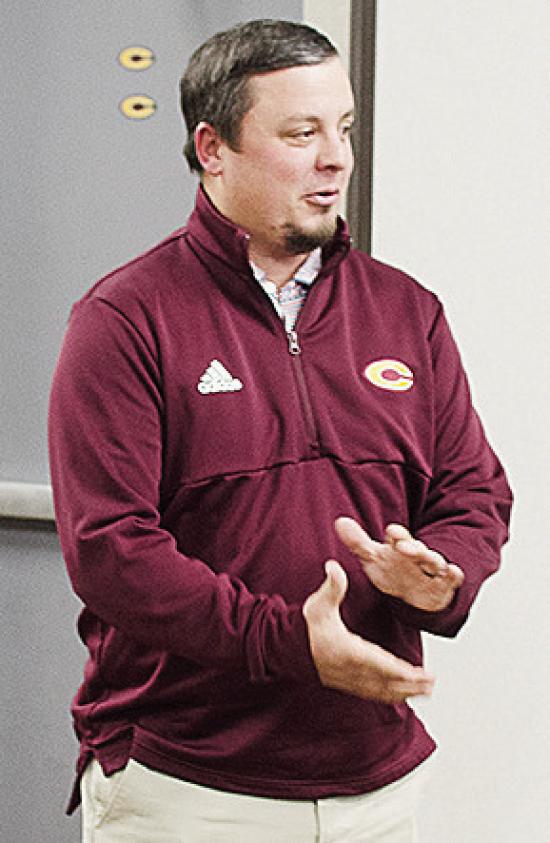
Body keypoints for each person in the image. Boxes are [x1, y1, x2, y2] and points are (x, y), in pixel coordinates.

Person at [48, 18, 512, 843]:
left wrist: (446, 576)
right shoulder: (125, 319)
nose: (335, 156)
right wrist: (289, 641)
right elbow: (111, 549)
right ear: (213, 147)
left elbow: (473, 489)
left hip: (377, 786)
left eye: (343, 128)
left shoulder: (407, 311)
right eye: (302, 132)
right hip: (185, 788)